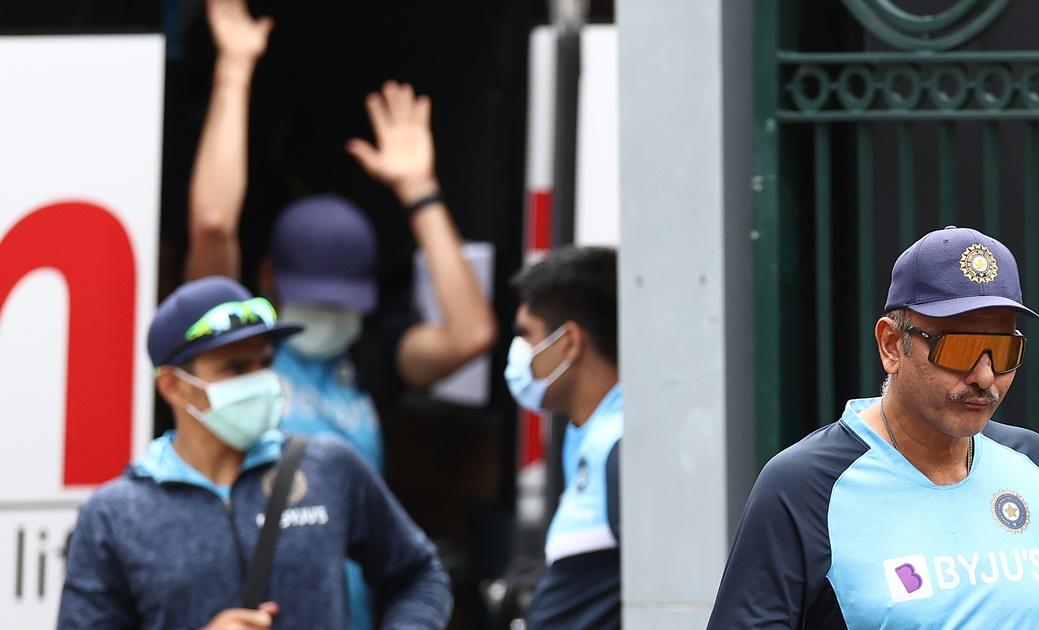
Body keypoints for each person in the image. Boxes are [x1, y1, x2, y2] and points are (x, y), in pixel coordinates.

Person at [186, 2, 495, 626]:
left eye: (338, 302)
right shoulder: (233, 347)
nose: (325, 316)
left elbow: (471, 333)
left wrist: (420, 191)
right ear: (268, 279)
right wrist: (234, 72)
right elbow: (214, 224)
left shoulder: (369, 355)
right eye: (312, 297)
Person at [707, 226, 1039, 628]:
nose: (985, 376)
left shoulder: (1034, 465)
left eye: (1004, 349)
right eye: (959, 348)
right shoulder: (803, 486)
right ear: (891, 345)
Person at [57, 276, 453, 630]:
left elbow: (420, 574)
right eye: (235, 367)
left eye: (265, 362)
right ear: (174, 387)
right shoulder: (115, 516)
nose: (260, 380)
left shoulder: (329, 467)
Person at [504, 247, 621, 629]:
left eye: (527, 335)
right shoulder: (590, 436)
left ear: (569, 342)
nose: (518, 354)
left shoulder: (621, 447)